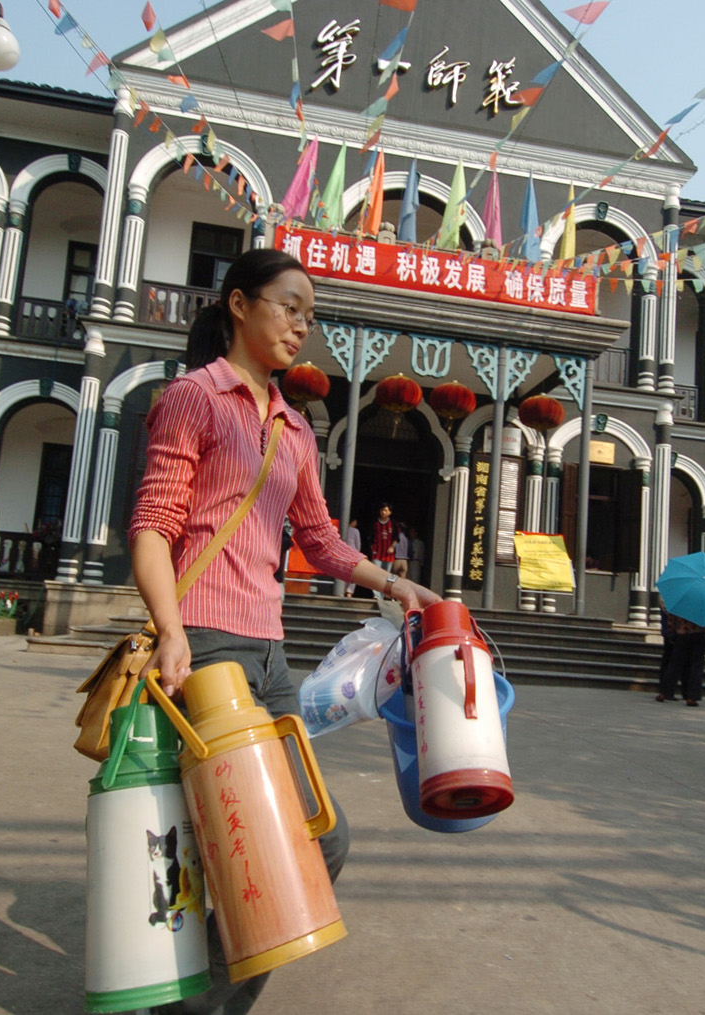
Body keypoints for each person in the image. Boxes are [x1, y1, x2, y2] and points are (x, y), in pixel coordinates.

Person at [128, 248, 442, 1014]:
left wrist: (398, 584)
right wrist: (169, 631)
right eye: (289, 304)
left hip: (268, 657)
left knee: (310, 840)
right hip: (203, 646)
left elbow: (323, 542)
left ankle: (192, 997)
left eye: (311, 313)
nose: (303, 323)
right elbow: (152, 526)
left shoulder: (295, 428)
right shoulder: (194, 397)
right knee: (229, 844)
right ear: (240, 304)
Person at [658, 617, 705, 706]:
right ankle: (692, 697)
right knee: (697, 666)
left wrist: (671, 630)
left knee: (675, 664)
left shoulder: (681, 604)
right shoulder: (704, 605)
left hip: (683, 633)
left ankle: (664, 692)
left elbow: (671, 618)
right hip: (701, 633)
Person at [337, 518, 362, 597]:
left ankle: (341, 590)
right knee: (353, 574)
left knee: (342, 572)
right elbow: (358, 544)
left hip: (342, 553)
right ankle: (349, 592)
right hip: (353, 553)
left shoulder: (340, 529)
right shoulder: (355, 531)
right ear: (353, 522)